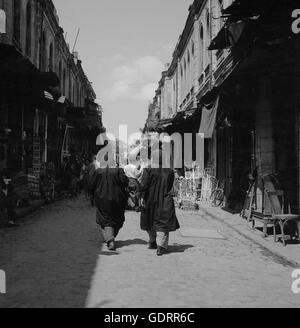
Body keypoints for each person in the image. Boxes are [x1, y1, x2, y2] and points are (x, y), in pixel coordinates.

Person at [140, 150, 180, 256]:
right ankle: (160, 246)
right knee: (163, 223)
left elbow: (143, 186)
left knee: (150, 221)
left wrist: (141, 196)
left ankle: (153, 241)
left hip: (150, 200)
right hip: (165, 200)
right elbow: (170, 185)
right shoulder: (169, 171)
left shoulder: (147, 169)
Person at [88, 165, 129, 251]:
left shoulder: (98, 171)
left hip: (101, 199)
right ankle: (110, 239)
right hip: (117, 198)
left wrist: (91, 195)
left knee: (105, 219)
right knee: (116, 218)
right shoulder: (118, 170)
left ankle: (110, 239)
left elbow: (91, 184)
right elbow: (125, 181)